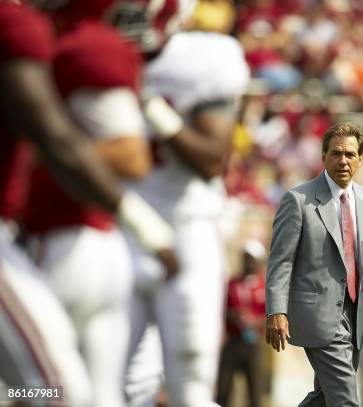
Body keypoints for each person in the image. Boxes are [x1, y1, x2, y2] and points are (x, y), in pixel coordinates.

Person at [0, 1, 177, 405]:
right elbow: (56, 138)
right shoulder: (30, 30)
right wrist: (142, 223)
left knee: (85, 393)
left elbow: (117, 153)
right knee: (57, 390)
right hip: (52, 242)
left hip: (80, 241)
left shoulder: (80, 44)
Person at [119, 7, 251, 404]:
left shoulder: (203, 59)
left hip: (186, 229)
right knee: (121, 384)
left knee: (189, 382)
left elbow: (212, 159)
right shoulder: (90, 52)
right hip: (121, 228)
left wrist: (151, 106)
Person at [265, 121, 363, 406]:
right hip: (317, 315)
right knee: (345, 398)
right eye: (335, 153)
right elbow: (281, 261)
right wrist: (276, 311)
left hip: (356, 316)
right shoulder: (298, 200)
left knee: (324, 398)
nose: (342, 160)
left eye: (349, 154)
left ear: (360, 160)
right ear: (323, 157)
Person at [216, 239, 268, 407]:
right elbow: (221, 310)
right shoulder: (232, 284)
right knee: (224, 389)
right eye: (246, 257)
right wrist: (235, 316)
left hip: (254, 344)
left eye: (251, 258)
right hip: (233, 341)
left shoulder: (264, 286)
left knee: (255, 390)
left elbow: (272, 315)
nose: (248, 262)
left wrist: (255, 321)